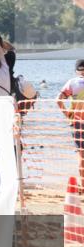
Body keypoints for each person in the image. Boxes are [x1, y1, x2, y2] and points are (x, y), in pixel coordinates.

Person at [57, 59, 84, 190]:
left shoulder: (72, 82)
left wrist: (67, 114)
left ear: (76, 71)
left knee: (82, 155)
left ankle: (83, 186)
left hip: (78, 122)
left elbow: (58, 100)